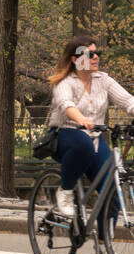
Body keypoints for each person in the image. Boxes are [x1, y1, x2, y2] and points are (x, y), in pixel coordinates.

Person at [46, 35, 134, 217]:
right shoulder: (65, 82)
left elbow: (127, 100)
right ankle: (65, 190)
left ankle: (103, 243)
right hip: (66, 134)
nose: (96, 57)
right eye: (89, 54)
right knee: (82, 144)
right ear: (75, 59)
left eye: (97, 53)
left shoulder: (104, 80)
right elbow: (65, 104)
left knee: (112, 191)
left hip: (94, 138)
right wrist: (81, 119)